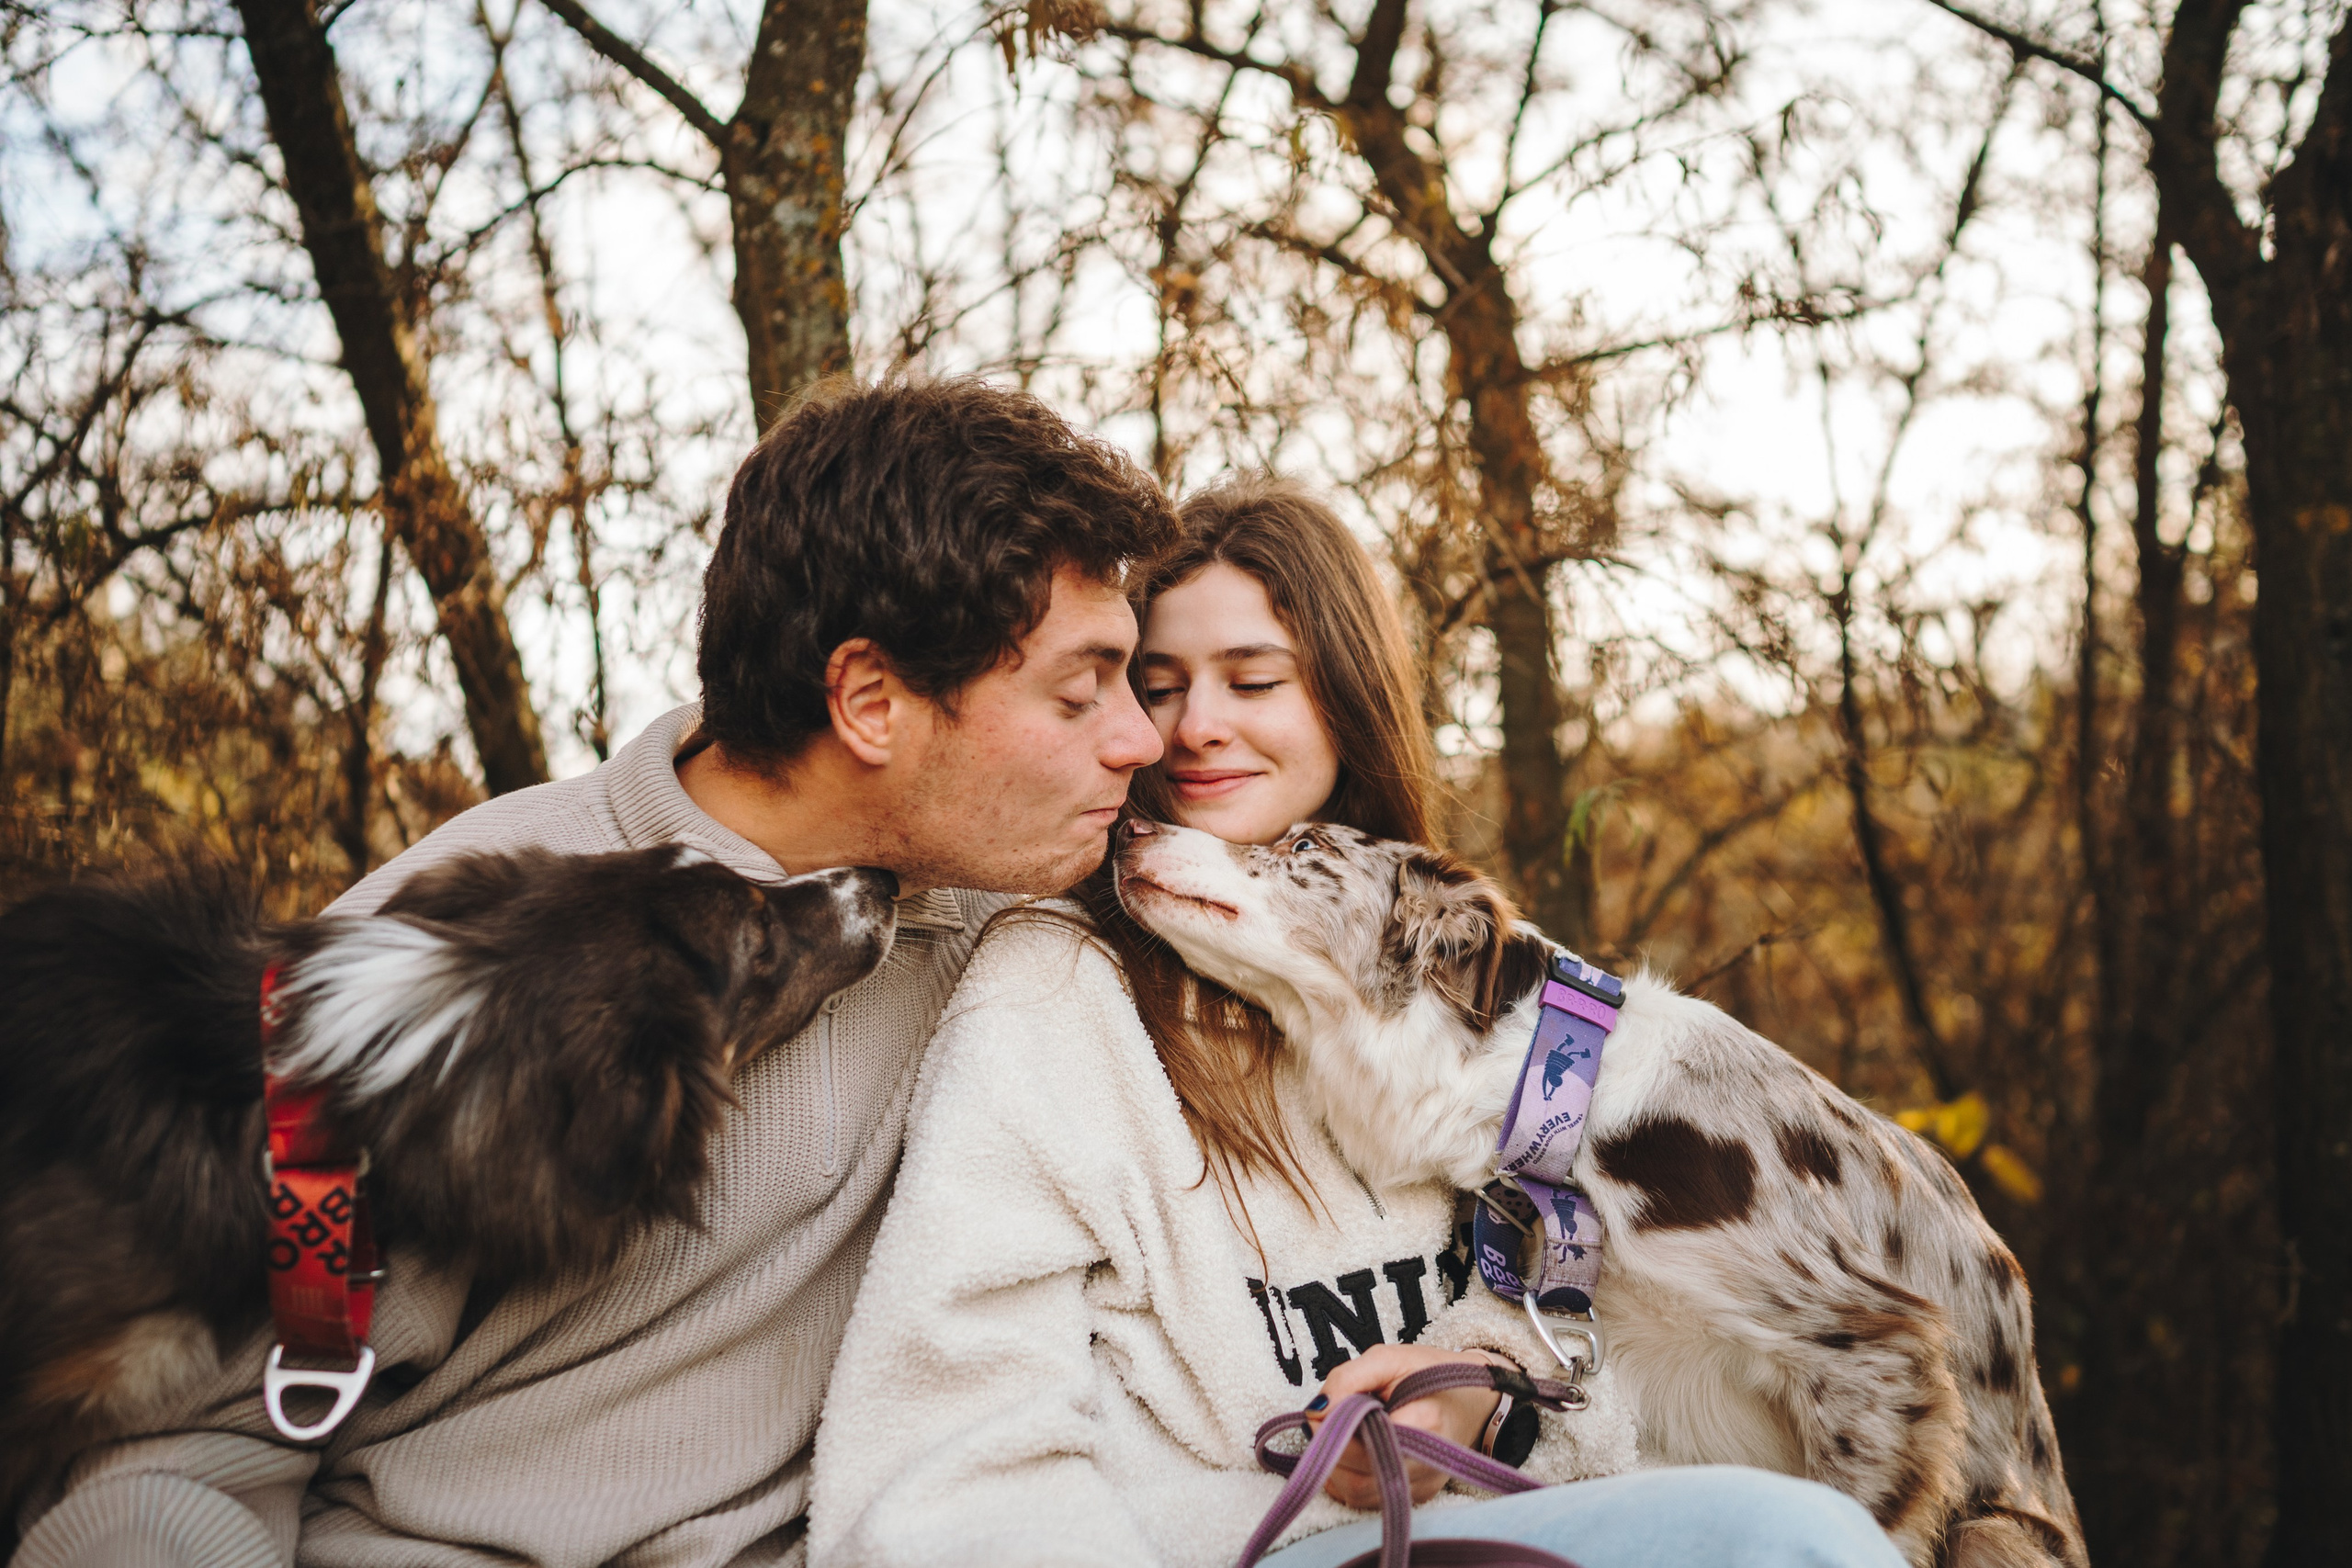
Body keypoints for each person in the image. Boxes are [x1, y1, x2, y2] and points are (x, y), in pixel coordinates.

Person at [8, 378, 1177, 1568]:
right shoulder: (458, 972)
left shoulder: (1025, 914)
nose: (1141, 737)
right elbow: (185, 1456)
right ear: (871, 700)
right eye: (1080, 692)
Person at [807, 477, 1907, 1568]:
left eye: (1252, 680)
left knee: (1769, 1526)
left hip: (1456, 1521)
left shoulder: (1456, 988)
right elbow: (950, 1442)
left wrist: (1461, 1403)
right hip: (1226, 1548)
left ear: (1345, 695)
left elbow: (1533, 1304)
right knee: (1788, 1541)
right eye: (1158, 684)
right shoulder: (1052, 992)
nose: (1196, 728)